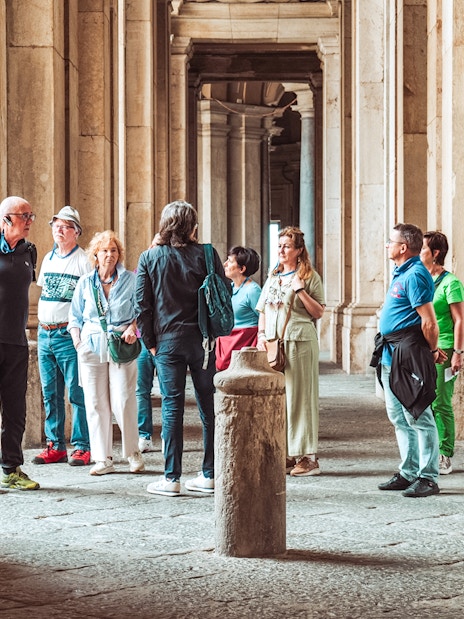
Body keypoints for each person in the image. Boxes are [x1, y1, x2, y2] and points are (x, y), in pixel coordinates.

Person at [136, 200, 230, 497]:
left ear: (164, 225)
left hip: (167, 342)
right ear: (192, 226)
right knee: (208, 407)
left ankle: (171, 478)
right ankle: (210, 474)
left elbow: (142, 306)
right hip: (203, 341)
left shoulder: (149, 258)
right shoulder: (207, 254)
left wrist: (148, 343)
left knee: (172, 408)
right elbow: (223, 293)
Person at [374, 223, 443, 498]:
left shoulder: (416, 275)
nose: (387, 245)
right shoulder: (400, 272)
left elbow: (429, 322)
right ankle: (409, 471)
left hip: (409, 354)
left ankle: (428, 476)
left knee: (419, 414)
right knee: (398, 416)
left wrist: (432, 350)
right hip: (391, 355)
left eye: (391, 242)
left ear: (403, 248)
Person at [68, 230, 145, 476]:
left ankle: (133, 453)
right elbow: (75, 317)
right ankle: (103, 458)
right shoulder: (85, 283)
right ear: (95, 255)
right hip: (90, 347)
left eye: (113, 250)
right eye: (104, 250)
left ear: (119, 254)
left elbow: (141, 312)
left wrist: (133, 329)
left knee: (123, 400)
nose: (109, 255)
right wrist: (78, 344)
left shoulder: (130, 280)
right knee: (95, 403)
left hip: (121, 346)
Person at [256, 226, 325, 477]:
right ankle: (288, 452)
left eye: (287, 246)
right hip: (275, 344)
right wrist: (261, 335)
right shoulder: (273, 277)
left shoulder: (308, 276)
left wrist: (300, 290)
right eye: (280, 245)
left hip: (300, 342)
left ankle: (309, 457)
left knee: (301, 398)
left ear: (298, 250)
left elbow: (318, 312)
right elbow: (263, 310)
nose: (282, 250)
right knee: (281, 399)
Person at [33, 206, 91, 467]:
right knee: (50, 392)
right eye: (55, 224)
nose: (58, 229)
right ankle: (55, 445)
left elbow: (90, 299)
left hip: (68, 334)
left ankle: (82, 446)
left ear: (76, 232)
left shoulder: (83, 260)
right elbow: (44, 292)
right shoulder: (48, 258)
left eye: (65, 226)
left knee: (76, 392)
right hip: (45, 333)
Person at [0, 196, 40, 490]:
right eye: (24, 216)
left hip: (16, 341)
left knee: (15, 408)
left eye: (30, 216)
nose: (29, 221)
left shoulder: (30, 251)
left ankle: (10, 469)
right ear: (6, 220)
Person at [420, 231, 464, 475]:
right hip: (423, 347)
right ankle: (429, 450)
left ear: (435, 253)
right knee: (423, 401)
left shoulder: (451, 283)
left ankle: (445, 453)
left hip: (445, 348)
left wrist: (458, 352)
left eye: (423, 249)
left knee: (441, 402)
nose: (418, 253)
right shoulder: (423, 279)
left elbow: (460, 321)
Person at [215, 246, 261, 371]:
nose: (225, 264)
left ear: (242, 269)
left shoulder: (253, 290)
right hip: (227, 343)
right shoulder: (229, 288)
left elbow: (264, 319)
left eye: (230, 261)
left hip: (244, 345)